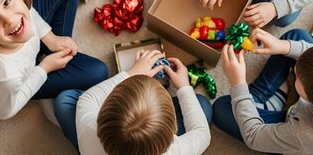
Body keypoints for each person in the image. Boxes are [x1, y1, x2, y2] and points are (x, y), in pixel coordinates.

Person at [214, 27, 313, 154]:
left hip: (297, 144)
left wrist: (238, 83)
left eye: (298, 78)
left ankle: (264, 99)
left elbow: (254, 137)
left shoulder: (306, 135)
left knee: (221, 108)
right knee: (296, 37)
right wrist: (283, 46)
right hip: (312, 121)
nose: (296, 67)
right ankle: (262, 100)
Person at [55, 50, 211, 154]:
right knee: (202, 104)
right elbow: (202, 133)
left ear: (102, 115)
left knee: (65, 100)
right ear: (173, 131)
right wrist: (184, 87)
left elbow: (88, 98)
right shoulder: (176, 150)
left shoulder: (89, 129)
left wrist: (130, 73)